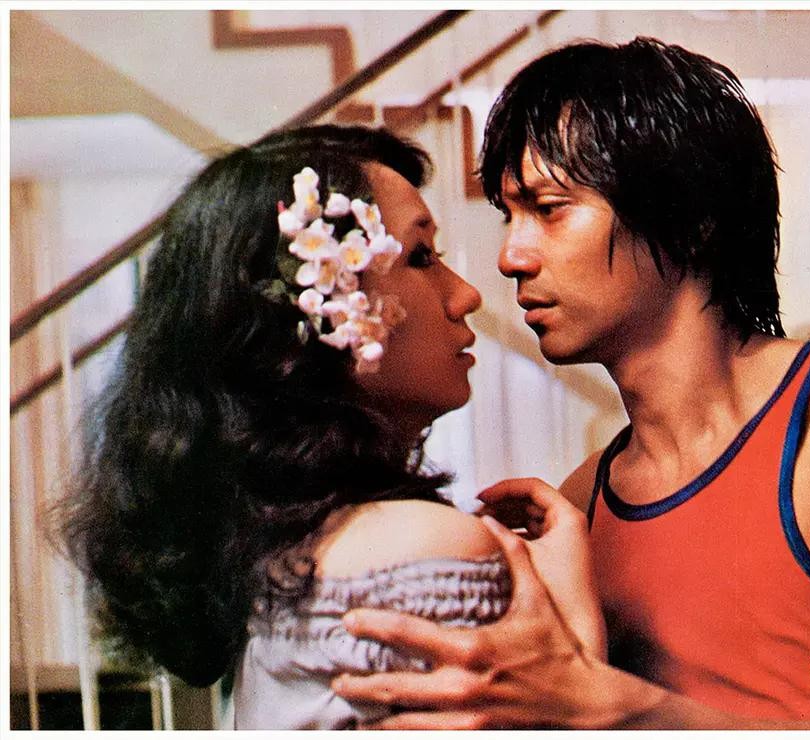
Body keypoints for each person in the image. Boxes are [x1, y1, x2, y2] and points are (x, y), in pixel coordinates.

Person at [331, 38, 810, 729]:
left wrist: (620, 707)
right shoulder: (577, 509)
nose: (510, 257)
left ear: (690, 219)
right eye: (509, 215)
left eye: (549, 208)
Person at [57, 124, 605, 729]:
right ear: (319, 312)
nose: (467, 295)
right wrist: (579, 660)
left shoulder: (282, 552)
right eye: (421, 257)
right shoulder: (416, 552)